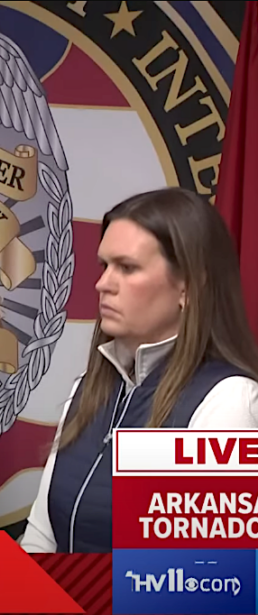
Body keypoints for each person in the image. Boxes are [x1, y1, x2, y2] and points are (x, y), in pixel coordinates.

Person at [20, 187, 258, 553]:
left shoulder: (228, 402)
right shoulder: (87, 390)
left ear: (189, 287)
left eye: (127, 268)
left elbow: (209, 583)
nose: (102, 284)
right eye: (105, 266)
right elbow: (41, 536)